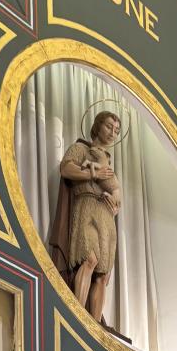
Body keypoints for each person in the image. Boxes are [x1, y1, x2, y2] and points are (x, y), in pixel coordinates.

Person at [48, 110, 123, 325]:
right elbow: (66, 168)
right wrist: (93, 173)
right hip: (86, 206)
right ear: (97, 126)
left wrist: (115, 201)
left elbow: (117, 192)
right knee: (89, 259)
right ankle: (78, 317)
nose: (112, 132)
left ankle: (94, 326)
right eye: (109, 126)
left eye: (116, 130)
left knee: (102, 273)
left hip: (106, 216)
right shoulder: (81, 148)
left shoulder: (108, 165)